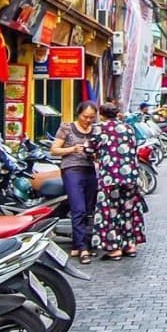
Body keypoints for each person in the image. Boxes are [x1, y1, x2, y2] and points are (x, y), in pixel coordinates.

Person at [88, 103, 146, 260]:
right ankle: (130, 245)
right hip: (131, 175)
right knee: (128, 210)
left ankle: (114, 249)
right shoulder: (128, 128)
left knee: (111, 211)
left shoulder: (100, 128)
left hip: (110, 177)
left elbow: (89, 148)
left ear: (102, 114)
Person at [49, 100, 99, 264]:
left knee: (89, 208)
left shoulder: (96, 130)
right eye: (85, 117)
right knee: (78, 208)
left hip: (90, 170)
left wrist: (93, 154)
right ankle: (83, 248)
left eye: (92, 117)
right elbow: (54, 150)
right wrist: (73, 149)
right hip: (71, 170)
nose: (88, 120)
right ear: (79, 114)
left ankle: (80, 244)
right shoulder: (67, 128)